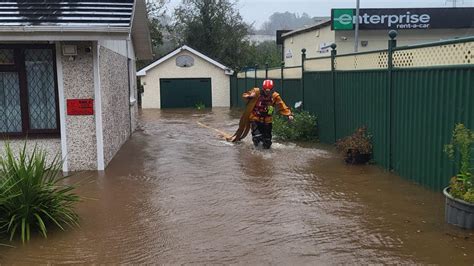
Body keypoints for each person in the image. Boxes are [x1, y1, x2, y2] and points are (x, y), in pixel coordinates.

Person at [242, 79, 294, 149]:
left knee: (267, 142)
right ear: (263, 89)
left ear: (272, 89)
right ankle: (257, 155)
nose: (267, 93)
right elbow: (244, 95)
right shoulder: (256, 92)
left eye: (269, 91)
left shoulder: (275, 96)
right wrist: (250, 96)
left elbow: (282, 105)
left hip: (267, 120)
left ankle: (265, 151)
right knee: (257, 138)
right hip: (255, 118)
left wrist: (289, 114)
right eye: (266, 91)